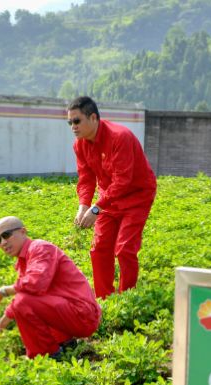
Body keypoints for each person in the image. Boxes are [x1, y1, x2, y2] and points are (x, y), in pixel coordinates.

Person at [67, 95, 157, 299]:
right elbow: (86, 178)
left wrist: (96, 208)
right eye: (70, 122)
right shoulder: (79, 145)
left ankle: (127, 299)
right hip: (109, 198)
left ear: (92, 118)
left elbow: (123, 181)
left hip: (137, 196)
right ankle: (104, 300)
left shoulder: (119, 137)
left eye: (77, 121)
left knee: (125, 249)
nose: (73, 126)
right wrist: (83, 206)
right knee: (99, 248)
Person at [0, 216, 101, 359]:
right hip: (72, 314)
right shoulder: (24, 259)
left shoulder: (40, 248)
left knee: (24, 301)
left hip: (83, 315)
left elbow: (34, 284)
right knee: (24, 299)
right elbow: (21, 297)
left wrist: (2, 291)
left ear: (23, 231)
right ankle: (65, 344)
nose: (3, 242)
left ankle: (46, 355)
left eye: (6, 235)